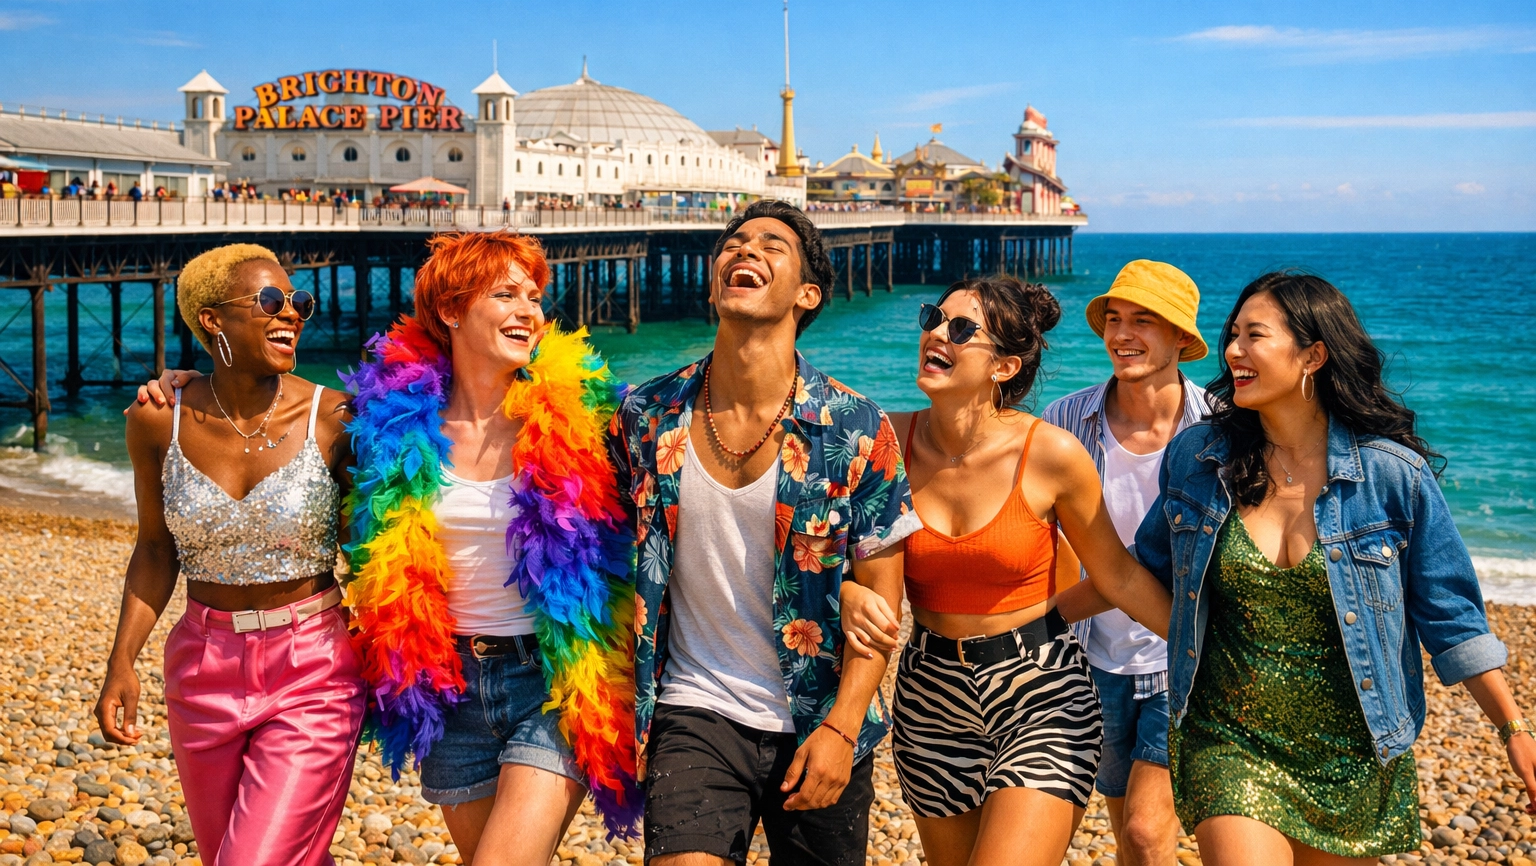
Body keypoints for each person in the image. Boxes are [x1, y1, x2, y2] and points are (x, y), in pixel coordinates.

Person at [141, 233, 643, 863]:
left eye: (534, 298)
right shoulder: (383, 419)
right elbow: (273, 416)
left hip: (554, 678)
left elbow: (675, 455)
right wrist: (192, 384)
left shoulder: (588, 414)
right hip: (446, 686)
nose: (529, 312)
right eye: (506, 295)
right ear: (452, 310)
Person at [1134, 271, 1536, 864]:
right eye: (1233, 334)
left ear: (1313, 356)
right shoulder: (1200, 457)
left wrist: (1514, 731)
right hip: (1230, 738)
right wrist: (1039, 610)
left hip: (1354, 749)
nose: (1233, 351)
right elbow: (1141, 570)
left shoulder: (1392, 476)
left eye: (1254, 336)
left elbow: (1452, 618)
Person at [609, 199, 916, 866]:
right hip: (693, 707)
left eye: (772, 245)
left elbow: (881, 607)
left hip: (818, 715)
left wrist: (841, 730)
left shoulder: (857, 427)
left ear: (808, 294)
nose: (745, 249)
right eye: (734, 243)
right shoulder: (646, 415)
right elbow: (584, 532)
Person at [839, 277, 1173, 866]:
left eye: (961, 328)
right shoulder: (885, 443)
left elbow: (1118, 576)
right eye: (933, 318)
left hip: (1042, 690)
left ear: (1004, 366)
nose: (936, 334)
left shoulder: (1051, 454)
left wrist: (1214, 653)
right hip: (929, 694)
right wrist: (844, 589)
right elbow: (817, 552)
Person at [99, 243, 361, 866]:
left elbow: (382, 541)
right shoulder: (157, 419)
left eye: (299, 302)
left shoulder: (336, 418)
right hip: (201, 667)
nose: (292, 313)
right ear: (212, 319)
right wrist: (122, 661)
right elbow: (155, 548)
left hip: (314, 667)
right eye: (271, 300)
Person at [1044, 260, 1210, 866]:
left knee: (1145, 830)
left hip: (1184, 658)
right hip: (1090, 657)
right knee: (1126, 832)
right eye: (1114, 319)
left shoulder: (1222, 427)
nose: (1122, 334)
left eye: (1143, 320)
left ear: (1181, 338)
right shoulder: (1063, 420)